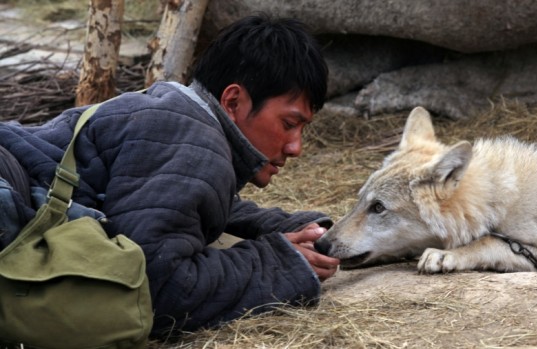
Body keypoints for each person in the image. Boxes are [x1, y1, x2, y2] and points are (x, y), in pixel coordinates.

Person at [0, 14, 340, 337]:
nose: (296, 147)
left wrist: (282, 227)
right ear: (233, 101)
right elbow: (155, 287)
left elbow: (179, 202)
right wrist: (278, 264)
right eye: (289, 124)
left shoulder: (177, 116)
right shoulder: (193, 141)